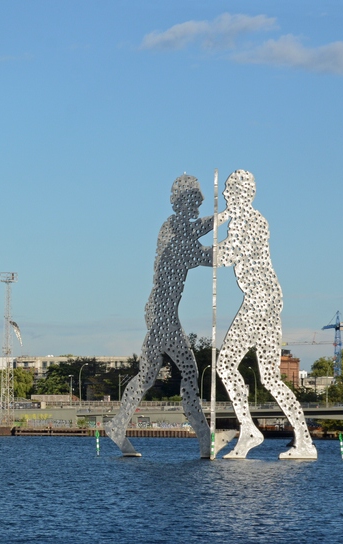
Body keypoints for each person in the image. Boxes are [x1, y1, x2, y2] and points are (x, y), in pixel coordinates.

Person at [107, 174, 214, 457]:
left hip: (160, 311)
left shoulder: (176, 228)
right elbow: (201, 253)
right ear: (180, 202)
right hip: (161, 314)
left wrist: (224, 219)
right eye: (194, 199)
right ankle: (205, 440)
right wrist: (230, 230)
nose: (199, 204)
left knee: (148, 374)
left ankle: (118, 426)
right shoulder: (173, 230)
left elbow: (199, 234)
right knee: (189, 371)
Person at [215, 170, 316, 459]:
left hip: (260, 302)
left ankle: (250, 430)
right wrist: (220, 219)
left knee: (226, 366)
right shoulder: (248, 219)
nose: (224, 196)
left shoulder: (250, 221)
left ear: (241, 194)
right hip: (265, 300)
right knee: (270, 377)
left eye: (229, 191)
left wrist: (195, 254)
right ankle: (301, 439)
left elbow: (229, 254)